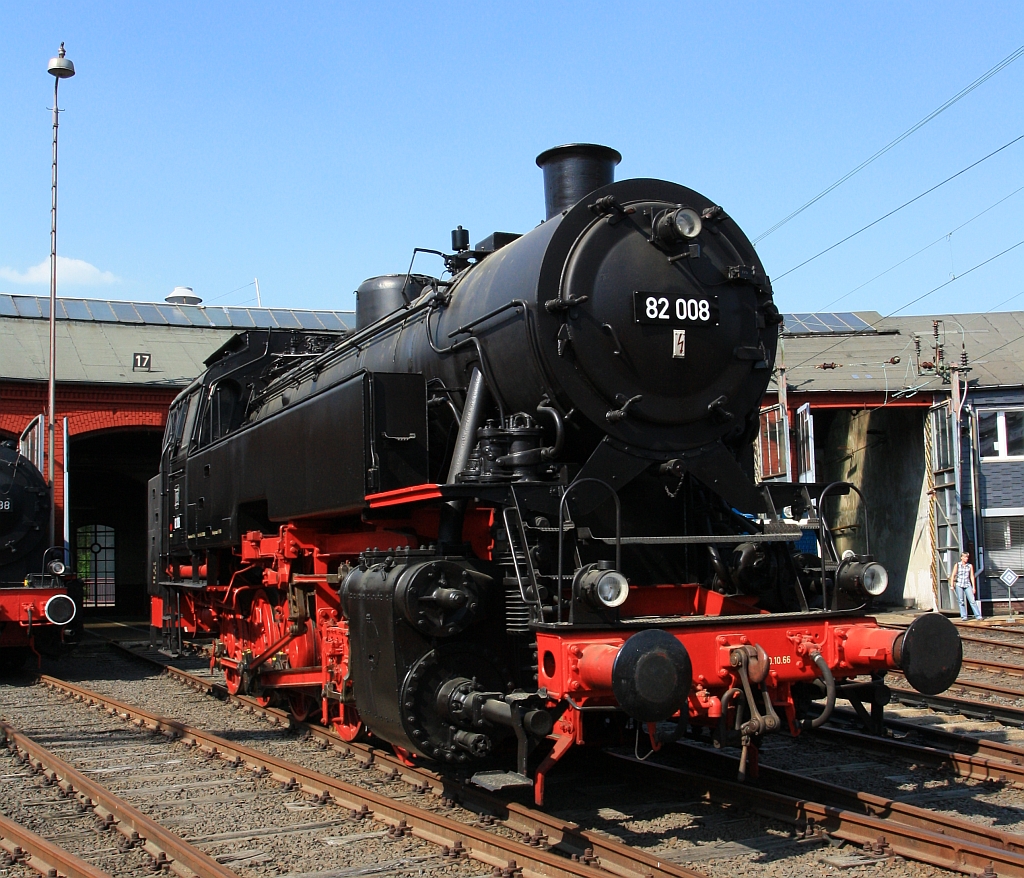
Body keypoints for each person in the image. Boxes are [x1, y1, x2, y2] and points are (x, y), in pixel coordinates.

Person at [950, 551, 982, 621]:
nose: (966, 558)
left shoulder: (969, 566)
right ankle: (964, 616)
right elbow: (953, 575)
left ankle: (978, 615)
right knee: (961, 601)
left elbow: (972, 576)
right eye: (964, 557)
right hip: (959, 584)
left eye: (967, 557)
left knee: (972, 600)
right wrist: (952, 585)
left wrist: (974, 587)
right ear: (961, 557)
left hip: (967, 584)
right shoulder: (957, 565)